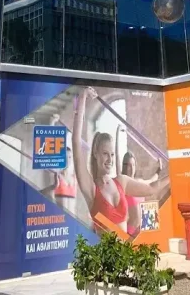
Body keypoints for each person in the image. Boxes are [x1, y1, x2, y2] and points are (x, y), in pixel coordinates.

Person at [72, 87, 169, 234]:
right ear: (96, 154)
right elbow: (76, 142)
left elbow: (151, 188)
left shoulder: (121, 182)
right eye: (105, 154)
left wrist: (174, 174)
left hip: (127, 247)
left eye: (112, 154)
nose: (110, 159)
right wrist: (84, 96)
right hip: (105, 248)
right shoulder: (91, 188)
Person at [115, 125, 162, 236]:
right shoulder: (123, 183)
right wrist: (117, 134)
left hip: (144, 228)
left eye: (133, 165)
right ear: (124, 166)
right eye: (127, 165)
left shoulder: (139, 182)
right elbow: (117, 159)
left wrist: (159, 170)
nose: (130, 168)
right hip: (131, 232)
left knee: (151, 208)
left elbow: (152, 181)